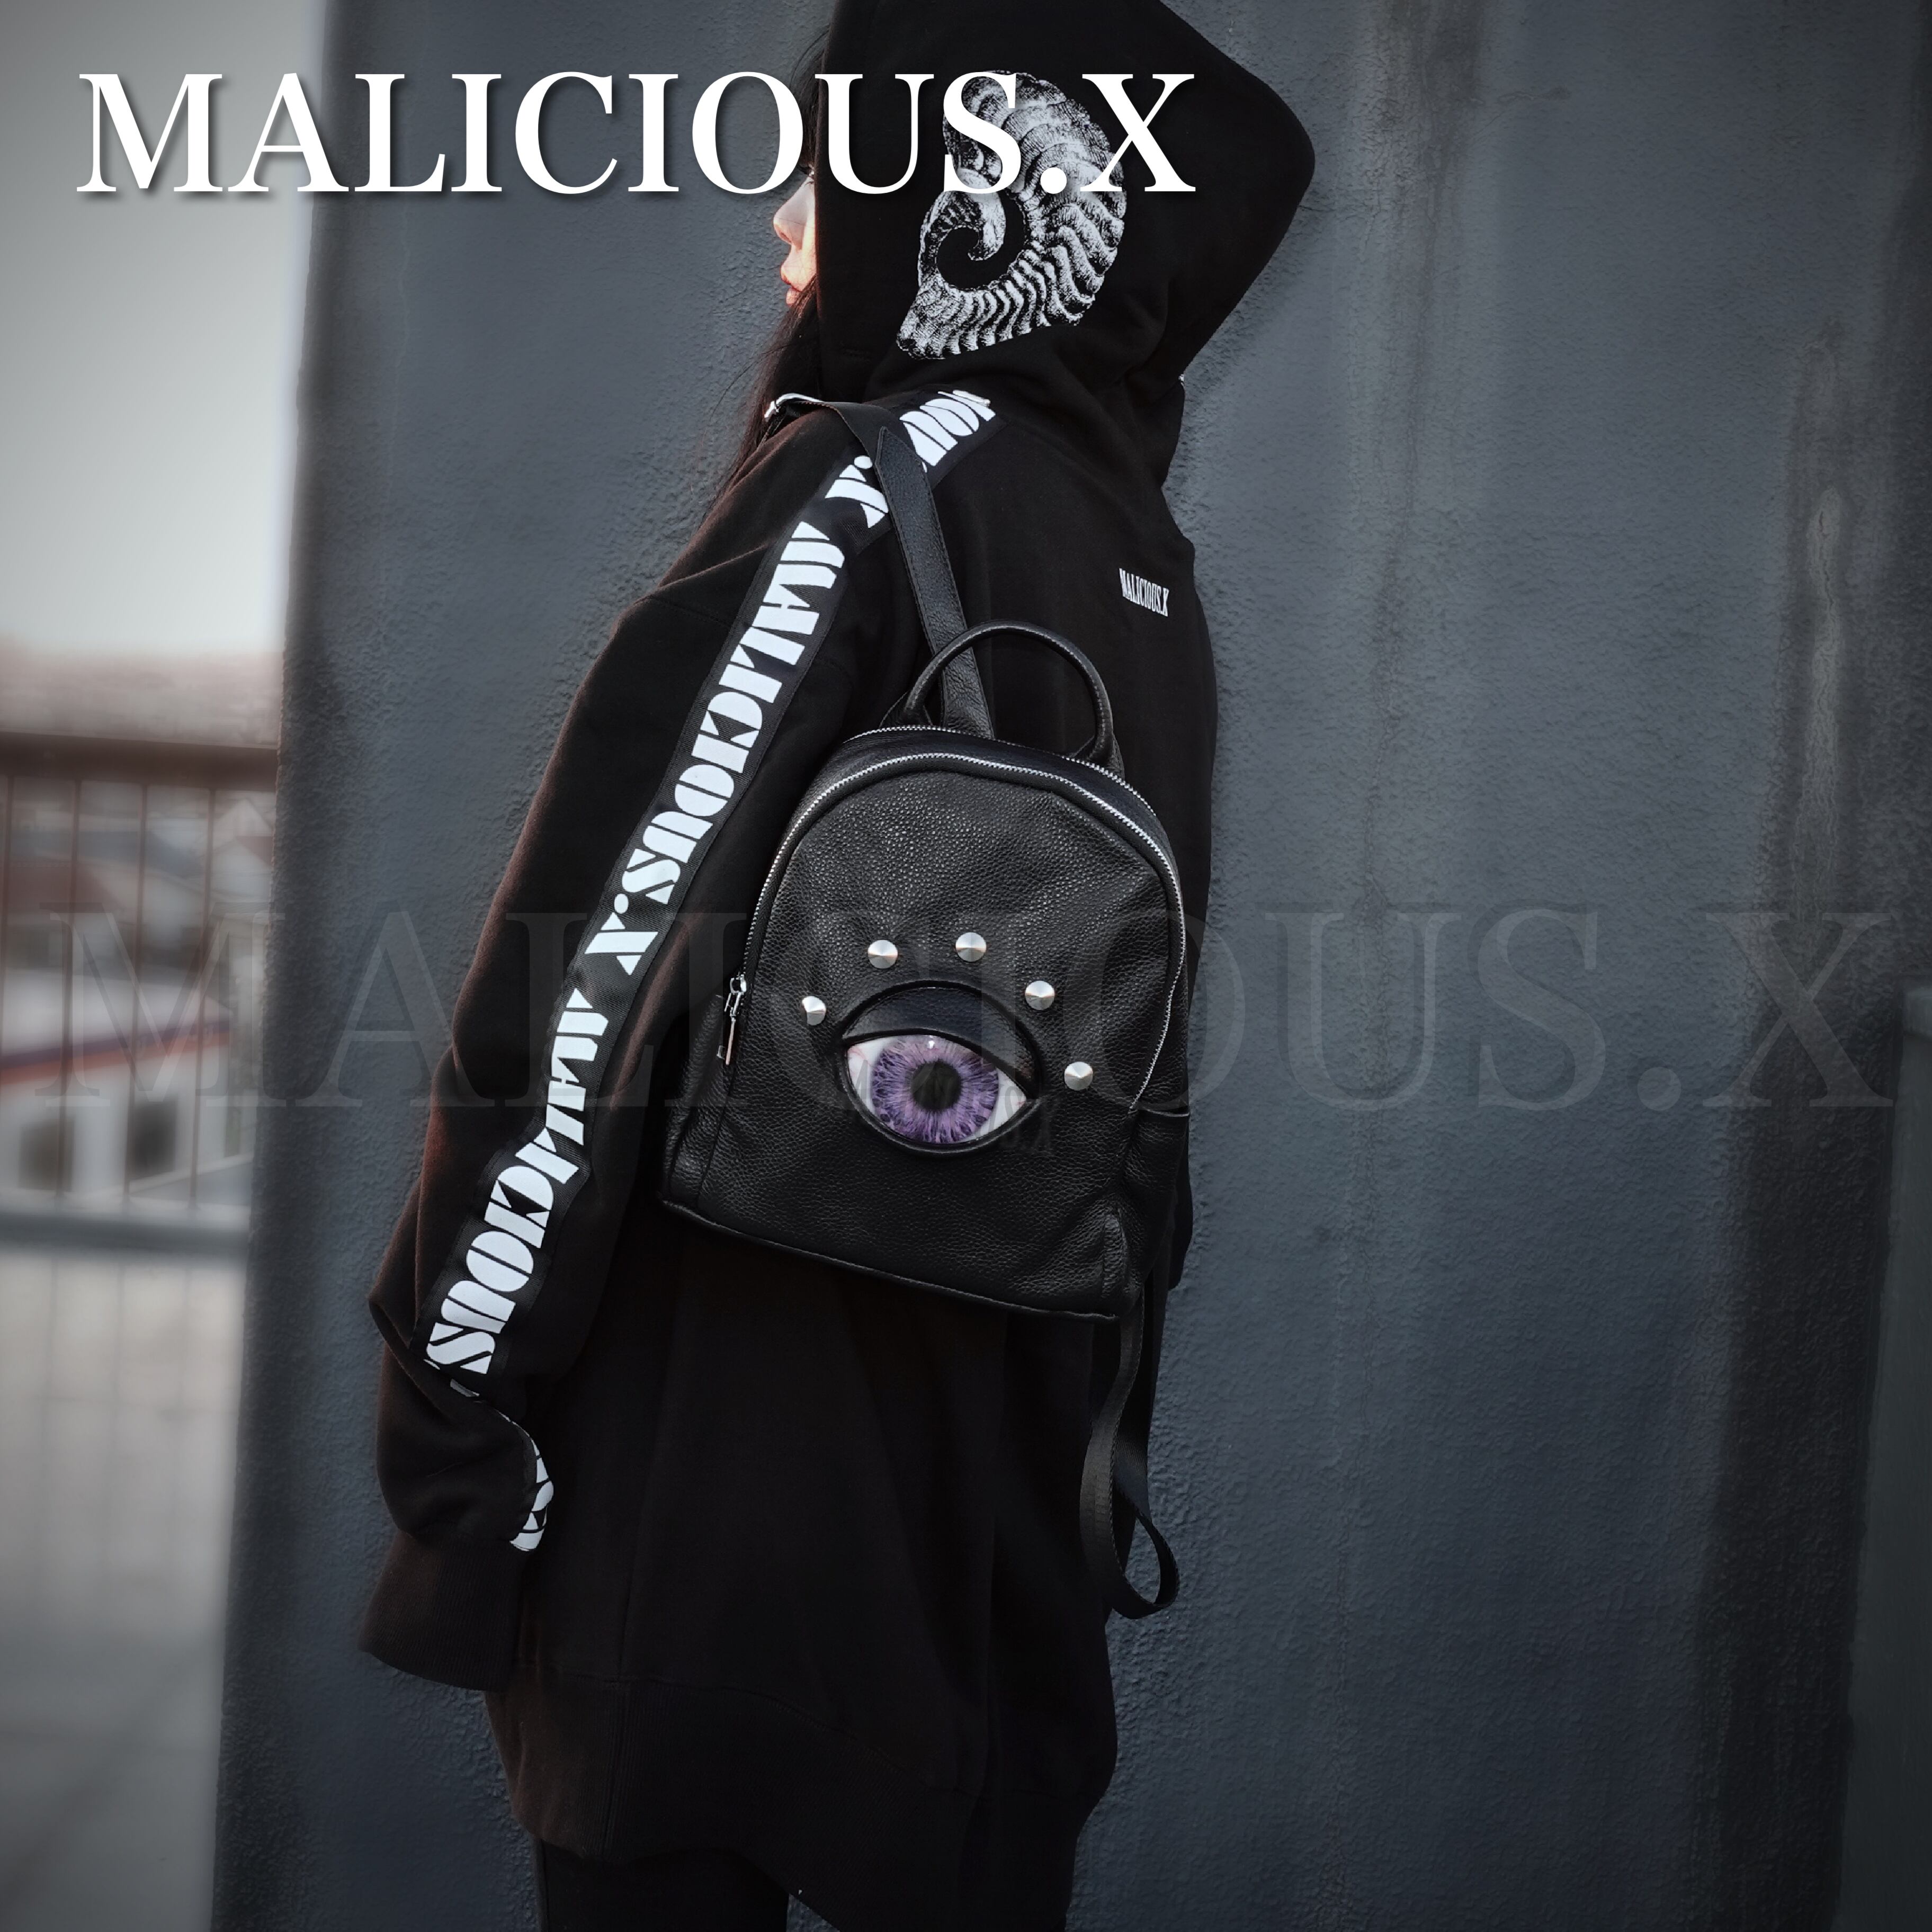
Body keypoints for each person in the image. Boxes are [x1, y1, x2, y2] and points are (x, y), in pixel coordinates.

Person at [359, 4, 1312, 1927]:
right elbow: (1128, 1105)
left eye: (826, 169)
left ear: (965, 203)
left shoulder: (868, 486)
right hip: (990, 1514)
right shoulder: (1137, 554)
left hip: (719, 1481)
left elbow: (594, 969)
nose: (789, 220)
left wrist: (460, 1429)